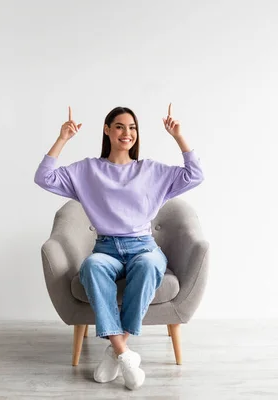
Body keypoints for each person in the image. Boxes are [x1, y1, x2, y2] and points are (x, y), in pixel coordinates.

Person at [34, 104, 204, 390]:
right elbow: (44, 178)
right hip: (106, 249)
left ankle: (116, 351)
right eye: (120, 127)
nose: (127, 133)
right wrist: (62, 138)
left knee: (149, 266)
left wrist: (178, 136)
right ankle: (125, 354)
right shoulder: (88, 170)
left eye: (132, 128)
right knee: (91, 267)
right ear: (107, 130)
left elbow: (195, 175)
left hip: (144, 247)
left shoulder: (151, 170)